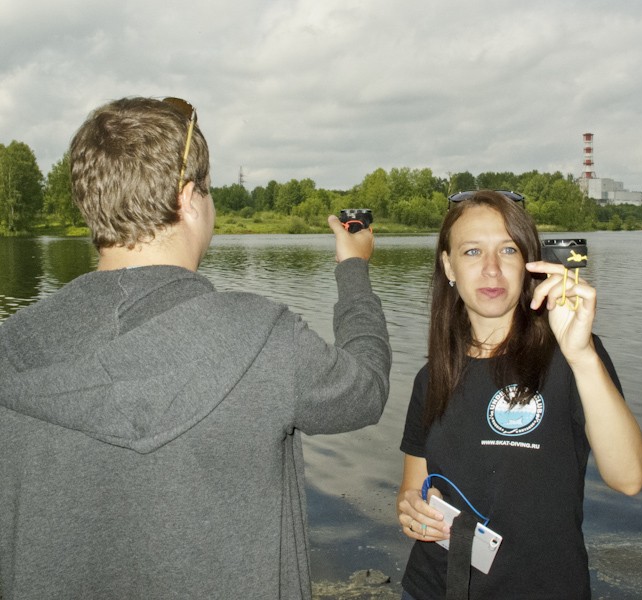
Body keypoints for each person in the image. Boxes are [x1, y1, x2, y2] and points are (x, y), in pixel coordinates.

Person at [0, 97, 391, 600]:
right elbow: (368, 388)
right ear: (188, 199)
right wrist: (353, 270)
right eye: (209, 193)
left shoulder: (12, 346)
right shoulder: (266, 340)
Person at [396, 190, 642, 599]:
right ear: (449, 266)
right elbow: (413, 489)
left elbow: (629, 479)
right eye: (473, 251)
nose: (492, 270)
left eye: (508, 250)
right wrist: (411, 510)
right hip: (432, 588)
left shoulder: (573, 357)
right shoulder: (432, 376)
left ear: (529, 263)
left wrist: (582, 355)